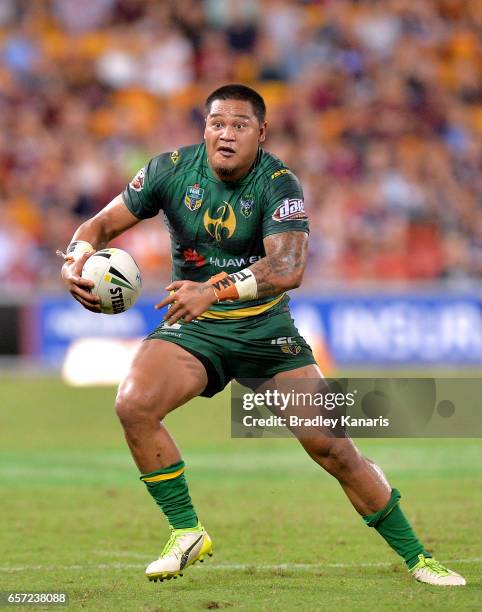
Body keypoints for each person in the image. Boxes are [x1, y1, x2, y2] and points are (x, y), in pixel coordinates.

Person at [60, 84, 465, 586]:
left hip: (264, 331)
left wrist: (214, 289)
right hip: (195, 328)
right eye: (217, 124)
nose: (226, 134)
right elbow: (100, 224)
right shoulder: (168, 170)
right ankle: (187, 531)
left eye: (239, 125)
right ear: (205, 128)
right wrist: (75, 257)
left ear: (261, 133)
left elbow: (288, 268)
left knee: (333, 448)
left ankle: (418, 557)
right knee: (133, 404)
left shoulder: (279, 184)